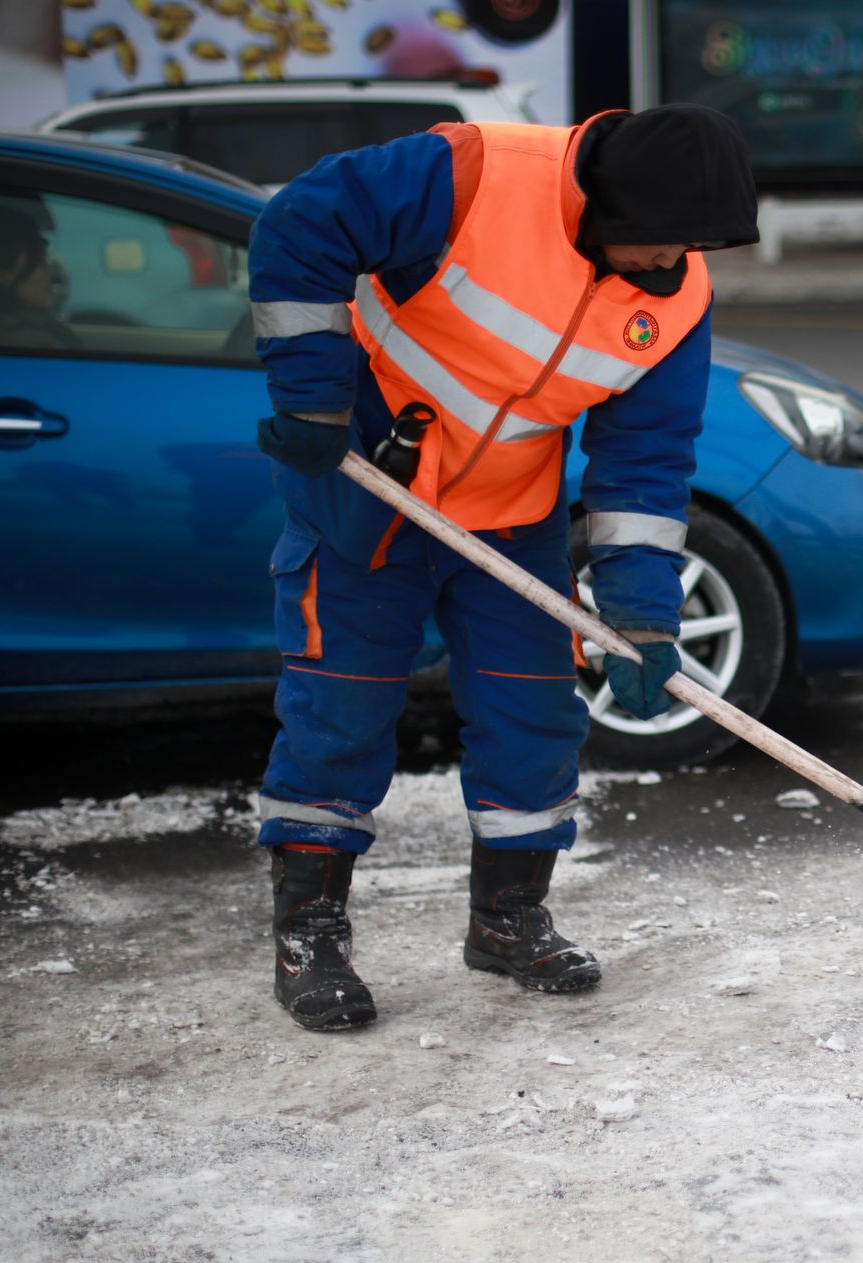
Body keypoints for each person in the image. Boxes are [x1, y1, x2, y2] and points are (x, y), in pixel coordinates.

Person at [246, 106, 758, 1031]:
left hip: (509, 522)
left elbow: (646, 463)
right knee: (341, 712)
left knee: (534, 718)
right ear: (609, 206)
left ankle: (509, 918)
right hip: (369, 495)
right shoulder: (474, 175)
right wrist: (313, 396)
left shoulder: (675, 302)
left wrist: (641, 616)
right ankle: (310, 931)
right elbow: (303, 221)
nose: (673, 262)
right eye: (665, 239)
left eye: (696, 243)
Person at [0, 203, 77, 351]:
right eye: (38, 262)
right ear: (0, 275)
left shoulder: (28, 330)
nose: (51, 275)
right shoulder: (25, 344)